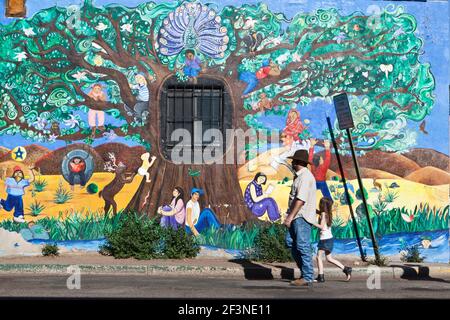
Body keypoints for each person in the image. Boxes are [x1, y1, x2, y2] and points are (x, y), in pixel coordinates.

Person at [284, 149, 317, 287]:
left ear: (298, 162)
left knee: (302, 245)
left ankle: (308, 276)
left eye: (293, 160)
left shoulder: (305, 177)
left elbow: (300, 200)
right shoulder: (299, 176)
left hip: (301, 216)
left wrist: (289, 217)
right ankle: (305, 273)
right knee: (290, 242)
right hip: (296, 216)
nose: (291, 162)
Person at [313, 197, 352, 282]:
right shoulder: (328, 213)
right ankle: (346, 269)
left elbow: (321, 226)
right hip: (329, 238)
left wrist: (311, 222)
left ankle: (321, 276)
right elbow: (320, 213)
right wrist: (313, 209)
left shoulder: (323, 214)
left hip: (324, 239)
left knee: (318, 257)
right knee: (329, 258)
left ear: (322, 205)